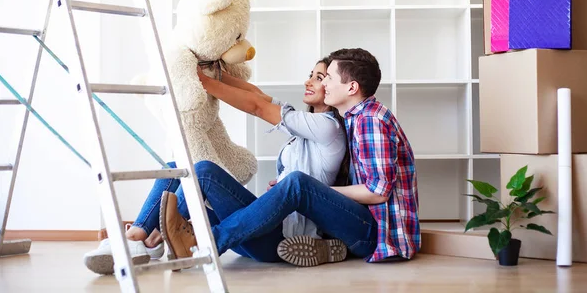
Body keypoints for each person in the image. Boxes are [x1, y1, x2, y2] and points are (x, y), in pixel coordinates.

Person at [82, 56, 350, 274]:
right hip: (257, 227)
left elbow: (257, 106)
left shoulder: (327, 127)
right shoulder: (301, 123)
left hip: (279, 239)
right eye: (311, 74)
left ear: (333, 87)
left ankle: (140, 239)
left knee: (204, 172)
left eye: (319, 77)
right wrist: (217, 75)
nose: (309, 81)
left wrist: (199, 81)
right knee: (178, 166)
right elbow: (258, 95)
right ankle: (146, 238)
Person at [161, 48, 420, 267]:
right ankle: (156, 236)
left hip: (376, 234)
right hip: (349, 223)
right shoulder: (355, 118)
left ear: (351, 87)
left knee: (298, 183)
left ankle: (206, 242)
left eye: (327, 77)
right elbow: (259, 97)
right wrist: (212, 73)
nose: (322, 83)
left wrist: (198, 81)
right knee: (201, 170)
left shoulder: (369, 121)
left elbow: (379, 192)